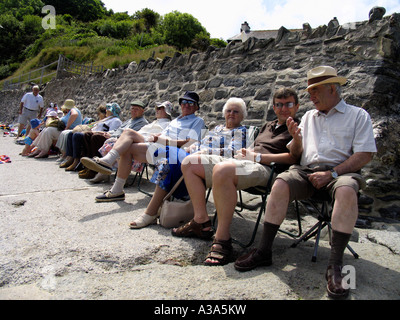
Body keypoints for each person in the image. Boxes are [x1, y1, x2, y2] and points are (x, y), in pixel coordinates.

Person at [234, 66, 377, 300]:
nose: (310, 95)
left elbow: (364, 155)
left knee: (347, 189)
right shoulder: (309, 116)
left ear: (332, 89)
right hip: (306, 171)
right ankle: (263, 251)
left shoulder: (357, 115)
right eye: (309, 90)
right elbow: (297, 155)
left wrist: (332, 173)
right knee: (281, 182)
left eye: (315, 90)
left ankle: (336, 266)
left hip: (340, 174)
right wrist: (297, 140)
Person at [175, 88, 300, 266]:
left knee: (223, 169)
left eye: (288, 104)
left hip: (268, 170)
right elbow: (254, 147)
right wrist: (247, 152)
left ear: (297, 106)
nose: (283, 109)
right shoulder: (268, 126)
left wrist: (257, 157)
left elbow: (293, 157)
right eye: (279, 105)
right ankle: (201, 221)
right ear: (273, 107)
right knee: (189, 163)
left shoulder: (297, 128)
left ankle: (222, 239)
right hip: (248, 163)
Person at [129, 97, 246, 229]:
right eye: (228, 110)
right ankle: (152, 211)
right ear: (224, 113)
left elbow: (233, 152)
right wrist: (193, 147)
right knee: (170, 159)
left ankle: (150, 213)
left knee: (170, 158)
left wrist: (205, 152)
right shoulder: (218, 128)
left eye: (236, 112)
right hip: (192, 156)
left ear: (242, 115)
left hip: (210, 163)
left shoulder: (241, 131)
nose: (231, 114)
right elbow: (200, 142)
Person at [81, 91, 205, 208]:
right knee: (128, 136)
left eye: (190, 103)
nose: (186, 105)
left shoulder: (198, 121)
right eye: (183, 102)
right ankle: (116, 186)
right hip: (158, 145)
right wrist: (155, 137)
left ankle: (109, 166)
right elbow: (164, 133)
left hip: (172, 151)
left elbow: (190, 142)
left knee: (128, 139)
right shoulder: (176, 121)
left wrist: (164, 141)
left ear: (196, 107)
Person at [88, 101, 173, 183]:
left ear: (166, 111)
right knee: (117, 141)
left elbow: (164, 138)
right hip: (138, 140)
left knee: (127, 133)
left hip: (149, 143)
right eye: (157, 108)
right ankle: (105, 170)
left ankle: (108, 164)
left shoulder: (168, 124)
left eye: (160, 108)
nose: (157, 110)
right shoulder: (152, 123)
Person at [60, 103, 122, 173]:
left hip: (102, 136)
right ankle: (73, 158)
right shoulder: (106, 119)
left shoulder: (115, 120)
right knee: (71, 134)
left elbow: (111, 132)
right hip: (94, 133)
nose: (107, 111)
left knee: (79, 135)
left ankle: (80, 161)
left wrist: (97, 132)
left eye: (108, 110)